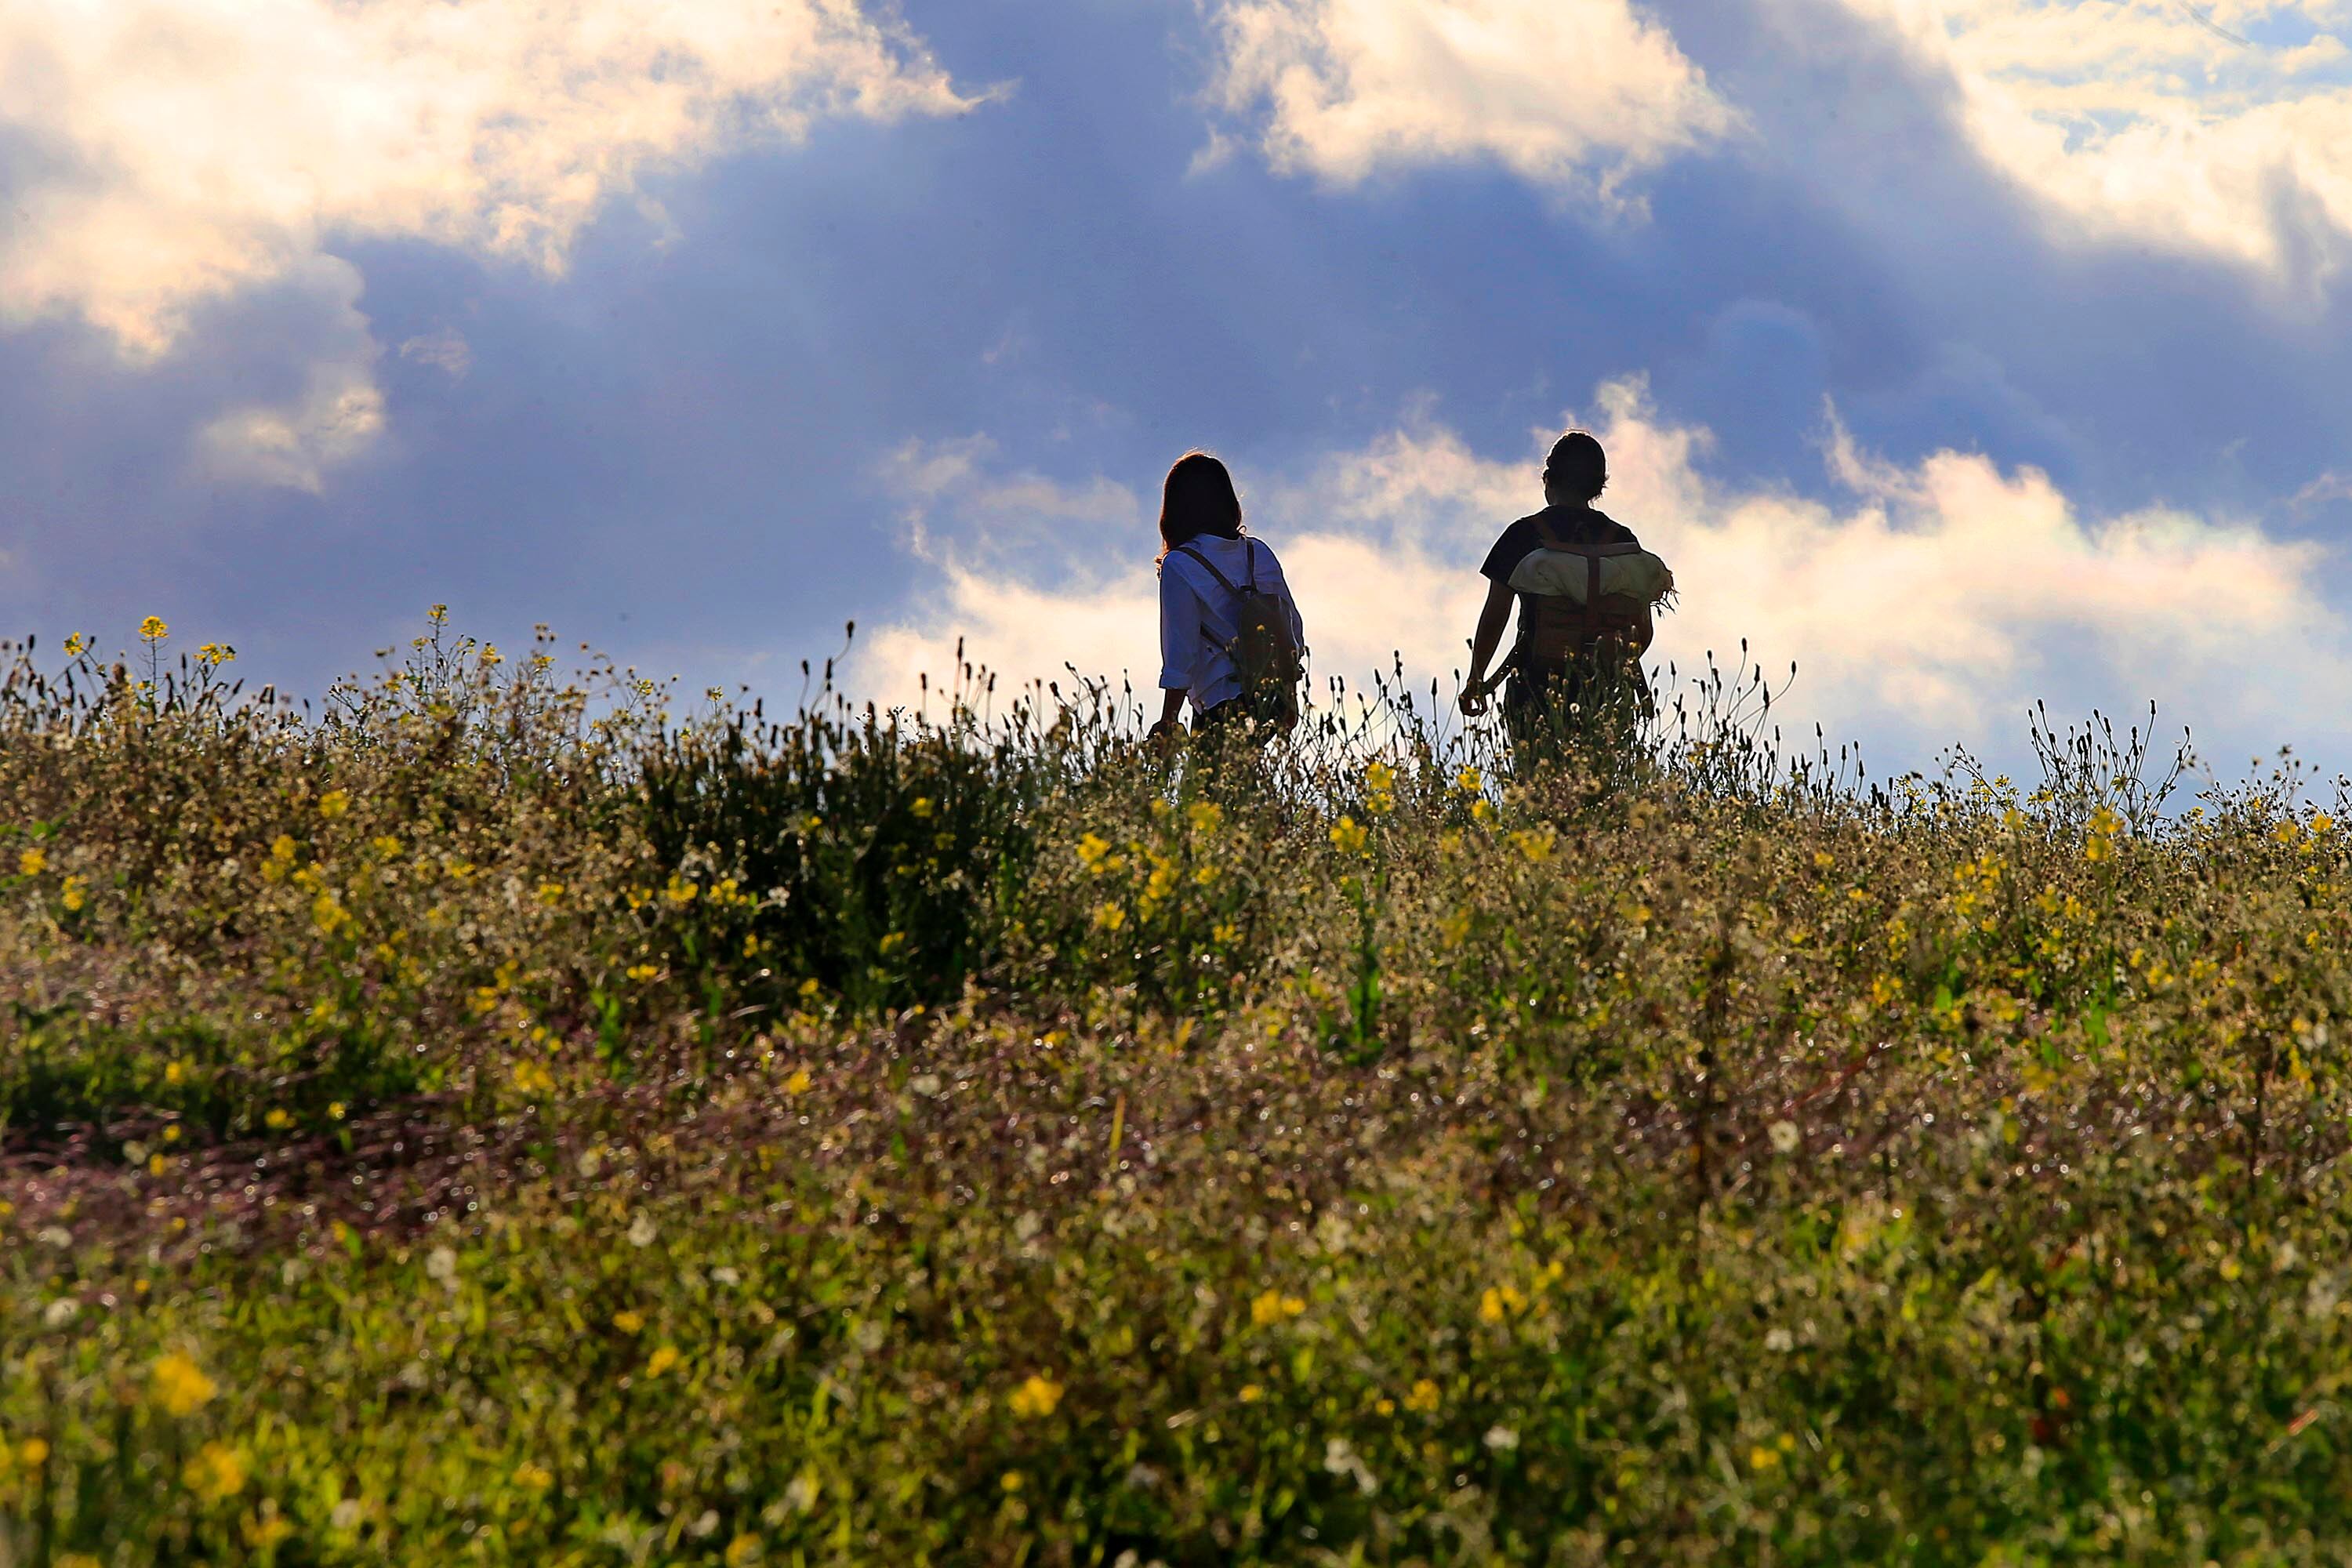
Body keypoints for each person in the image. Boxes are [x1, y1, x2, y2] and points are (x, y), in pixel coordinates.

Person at [1457, 431, 1671, 761]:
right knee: (1596, 796)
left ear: (1548, 479)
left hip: (1536, 689)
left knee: (1538, 794)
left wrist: (1476, 677)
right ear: (1598, 487)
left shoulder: (1524, 534)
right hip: (1604, 692)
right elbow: (1641, 631)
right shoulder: (1622, 540)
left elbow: (1495, 615)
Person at [1149, 452, 1307, 751]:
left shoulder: (1180, 564)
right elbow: (1292, 628)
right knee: (1244, 789)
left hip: (1220, 702)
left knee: (1204, 795)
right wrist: (1289, 693)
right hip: (1271, 698)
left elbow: (1180, 655)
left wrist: (1168, 720)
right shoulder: (1257, 552)